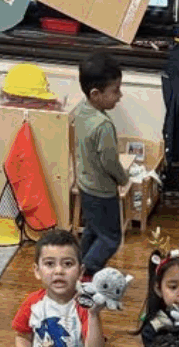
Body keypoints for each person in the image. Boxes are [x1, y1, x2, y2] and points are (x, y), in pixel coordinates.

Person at [71, 50, 130, 276]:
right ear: (95, 94)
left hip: (85, 186)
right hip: (102, 192)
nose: (120, 95)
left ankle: (76, 266)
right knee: (110, 238)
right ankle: (87, 273)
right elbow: (109, 161)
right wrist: (124, 178)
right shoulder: (103, 126)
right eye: (115, 91)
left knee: (93, 231)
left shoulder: (81, 111)